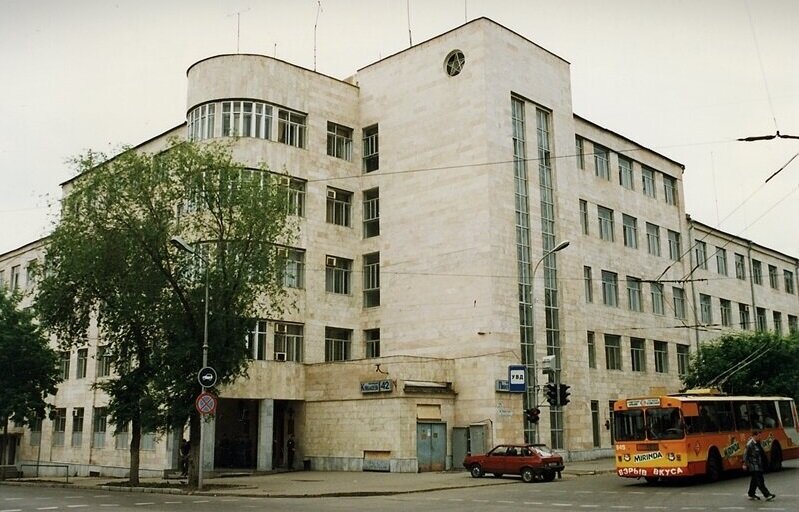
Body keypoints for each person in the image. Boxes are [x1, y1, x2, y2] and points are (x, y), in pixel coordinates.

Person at [742, 430, 775, 501]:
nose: (760, 437)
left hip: (759, 464)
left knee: (754, 480)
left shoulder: (758, 443)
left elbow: (761, 453)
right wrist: (744, 463)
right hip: (753, 465)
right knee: (760, 480)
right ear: (754, 436)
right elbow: (745, 454)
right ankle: (767, 495)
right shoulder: (750, 444)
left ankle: (751, 494)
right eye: (759, 436)